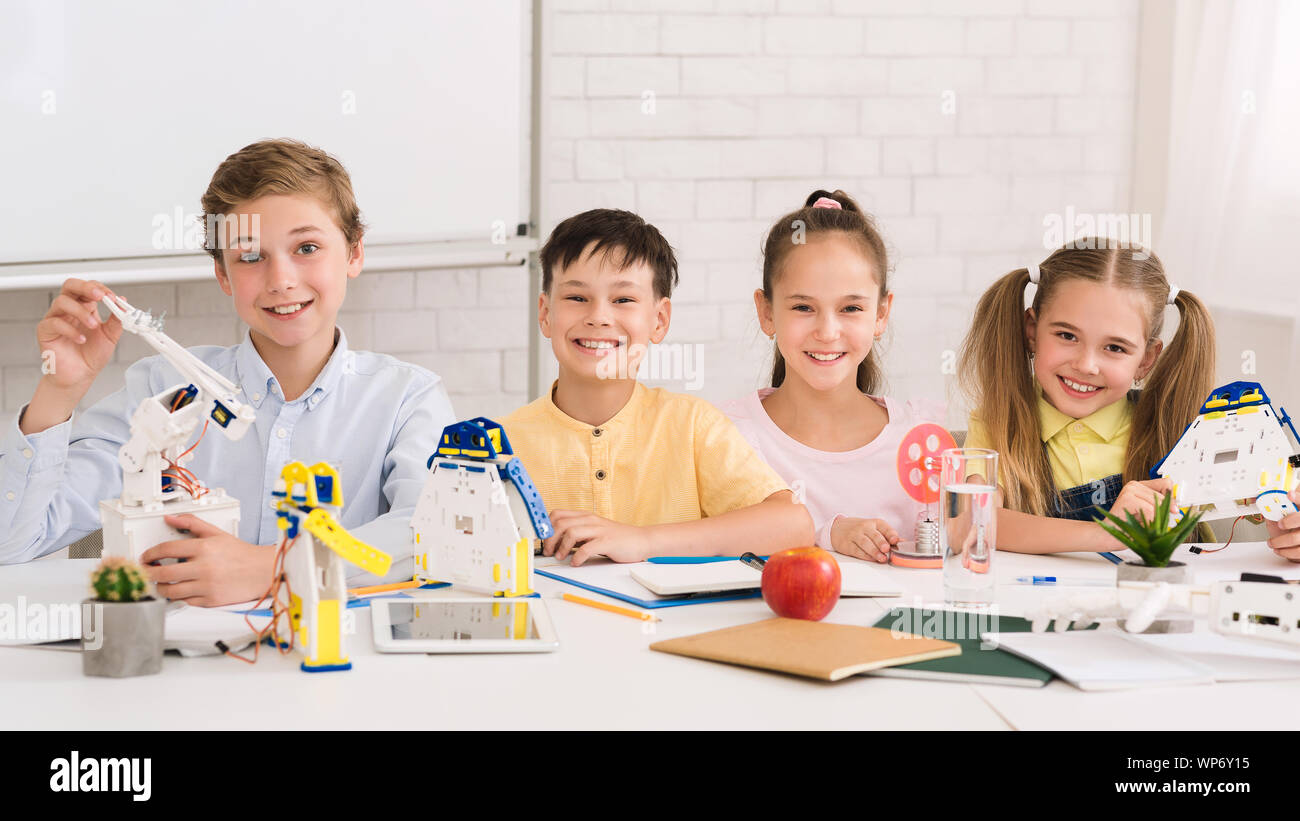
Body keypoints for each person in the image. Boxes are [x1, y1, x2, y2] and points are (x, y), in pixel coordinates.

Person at [0, 139, 455, 603]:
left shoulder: (407, 399)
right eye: (250, 256)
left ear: (354, 253)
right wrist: (58, 392)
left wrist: (272, 568)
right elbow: (13, 541)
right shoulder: (163, 389)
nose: (281, 279)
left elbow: (430, 534)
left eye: (307, 247)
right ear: (223, 275)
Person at [500, 208, 814, 567]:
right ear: (545, 314)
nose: (599, 316)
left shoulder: (692, 425)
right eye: (576, 298)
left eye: (623, 300)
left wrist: (642, 540)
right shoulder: (502, 444)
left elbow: (793, 525)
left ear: (659, 320)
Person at [716, 189, 945, 564]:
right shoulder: (728, 438)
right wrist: (829, 533)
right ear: (767, 312)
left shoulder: (921, 444)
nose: (827, 331)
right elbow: (710, 544)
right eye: (803, 307)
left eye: (851, 307)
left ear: (881, 314)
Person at [958, 241, 1221, 554]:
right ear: (1032, 331)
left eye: (1115, 348)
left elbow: (1269, 497)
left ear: (1146, 359)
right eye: (1067, 336)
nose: (1086, 365)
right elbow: (976, 522)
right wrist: (1106, 533)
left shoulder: (1181, 427)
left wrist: (1289, 522)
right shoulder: (998, 423)